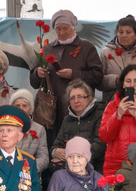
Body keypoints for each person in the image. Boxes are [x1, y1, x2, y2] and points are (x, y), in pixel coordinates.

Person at [30, 9, 103, 143]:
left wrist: (73, 74)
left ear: (73, 27)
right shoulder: (47, 49)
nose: (62, 32)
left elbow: (98, 77)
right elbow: (33, 83)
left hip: (79, 114)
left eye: (65, 28)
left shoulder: (86, 48)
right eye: (58, 29)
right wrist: (38, 74)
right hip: (50, 113)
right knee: (53, 147)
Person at [50, 79, 105, 173]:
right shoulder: (67, 119)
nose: (76, 101)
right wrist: (55, 152)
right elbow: (56, 143)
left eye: (80, 97)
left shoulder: (100, 115)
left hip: (93, 167)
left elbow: (100, 146)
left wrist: (72, 154)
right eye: (72, 98)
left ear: (90, 98)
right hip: (69, 166)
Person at [99, 15, 136, 103]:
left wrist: (135, 81)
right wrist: (116, 80)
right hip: (112, 102)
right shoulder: (106, 52)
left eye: (128, 32)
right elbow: (98, 82)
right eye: (120, 32)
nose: (124, 35)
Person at [10, 89, 49, 174]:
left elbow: (43, 157)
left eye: (24, 106)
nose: (21, 109)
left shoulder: (39, 129)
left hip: (29, 172)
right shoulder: (2, 128)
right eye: (17, 106)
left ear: (30, 108)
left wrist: (30, 168)